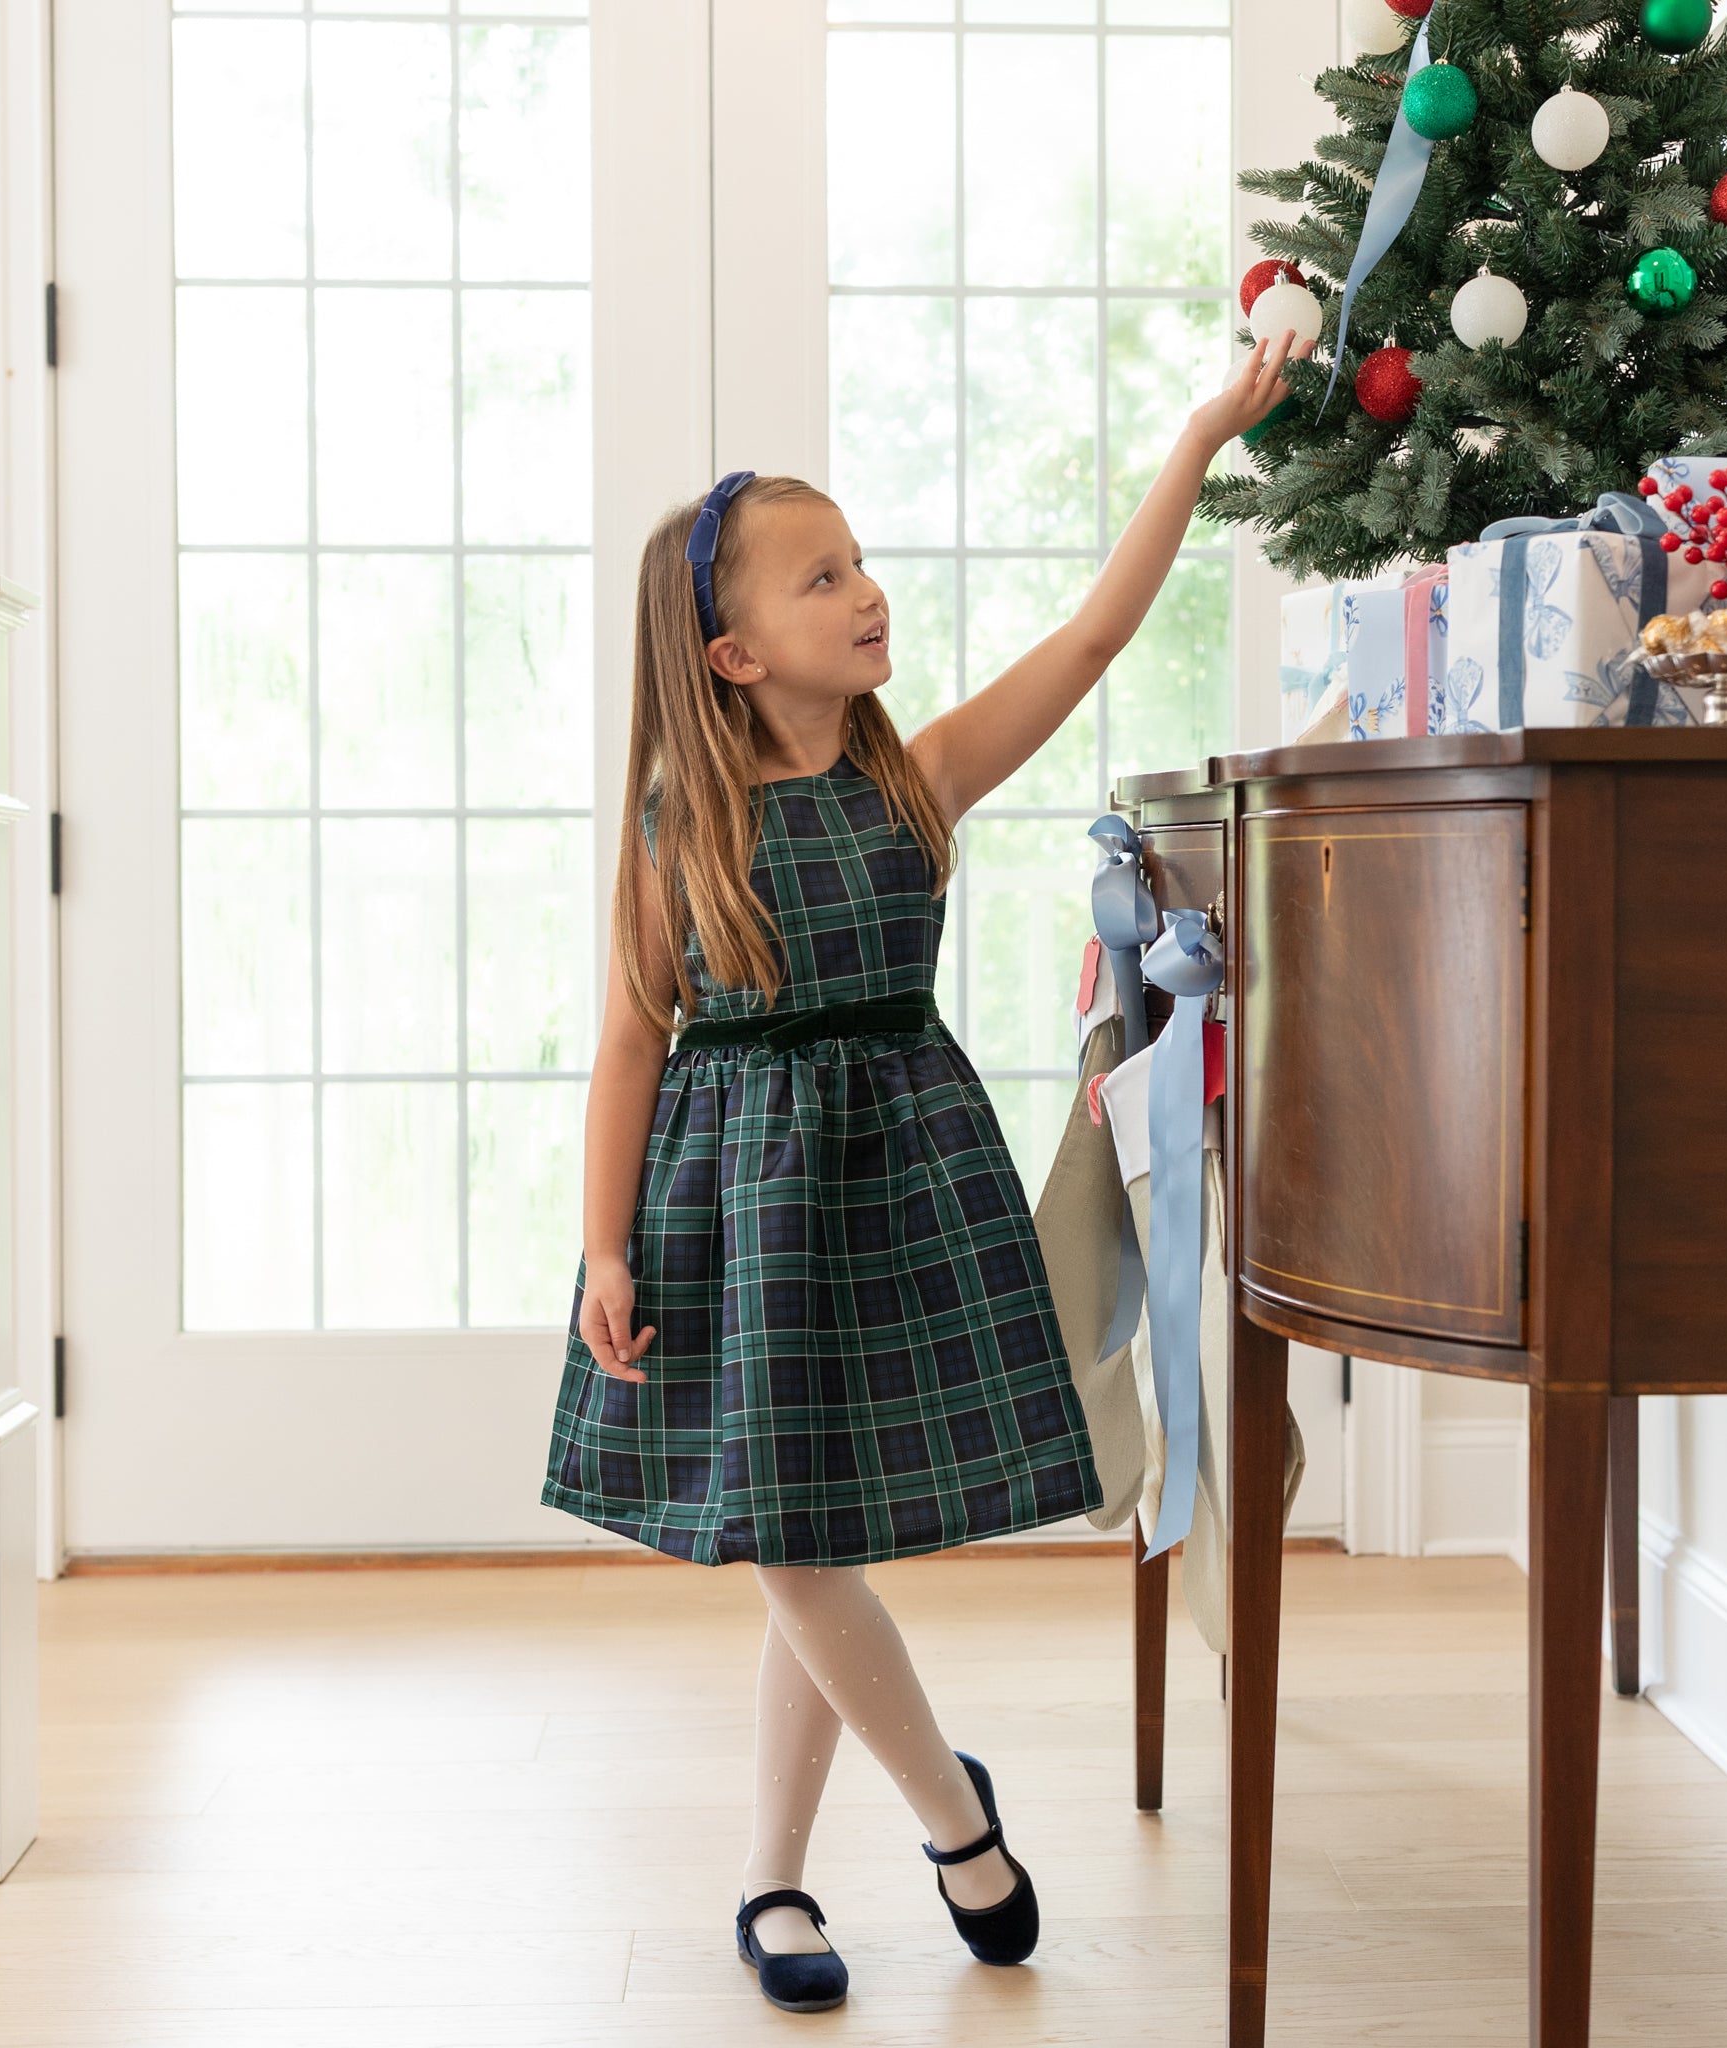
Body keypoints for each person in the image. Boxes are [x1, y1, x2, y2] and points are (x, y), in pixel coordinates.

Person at [541, 332, 1308, 2014]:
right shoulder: (685, 830)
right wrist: (603, 1252)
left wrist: (1200, 434)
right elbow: (625, 1045)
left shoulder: (919, 781)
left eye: (864, 558)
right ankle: (955, 1821)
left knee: (809, 1539)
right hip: (734, 1205)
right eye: (825, 577)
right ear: (736, 652)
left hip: (896, 1190)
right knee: (796, 1546)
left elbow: (1097, 632)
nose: (867, 590)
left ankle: (772, 1883)